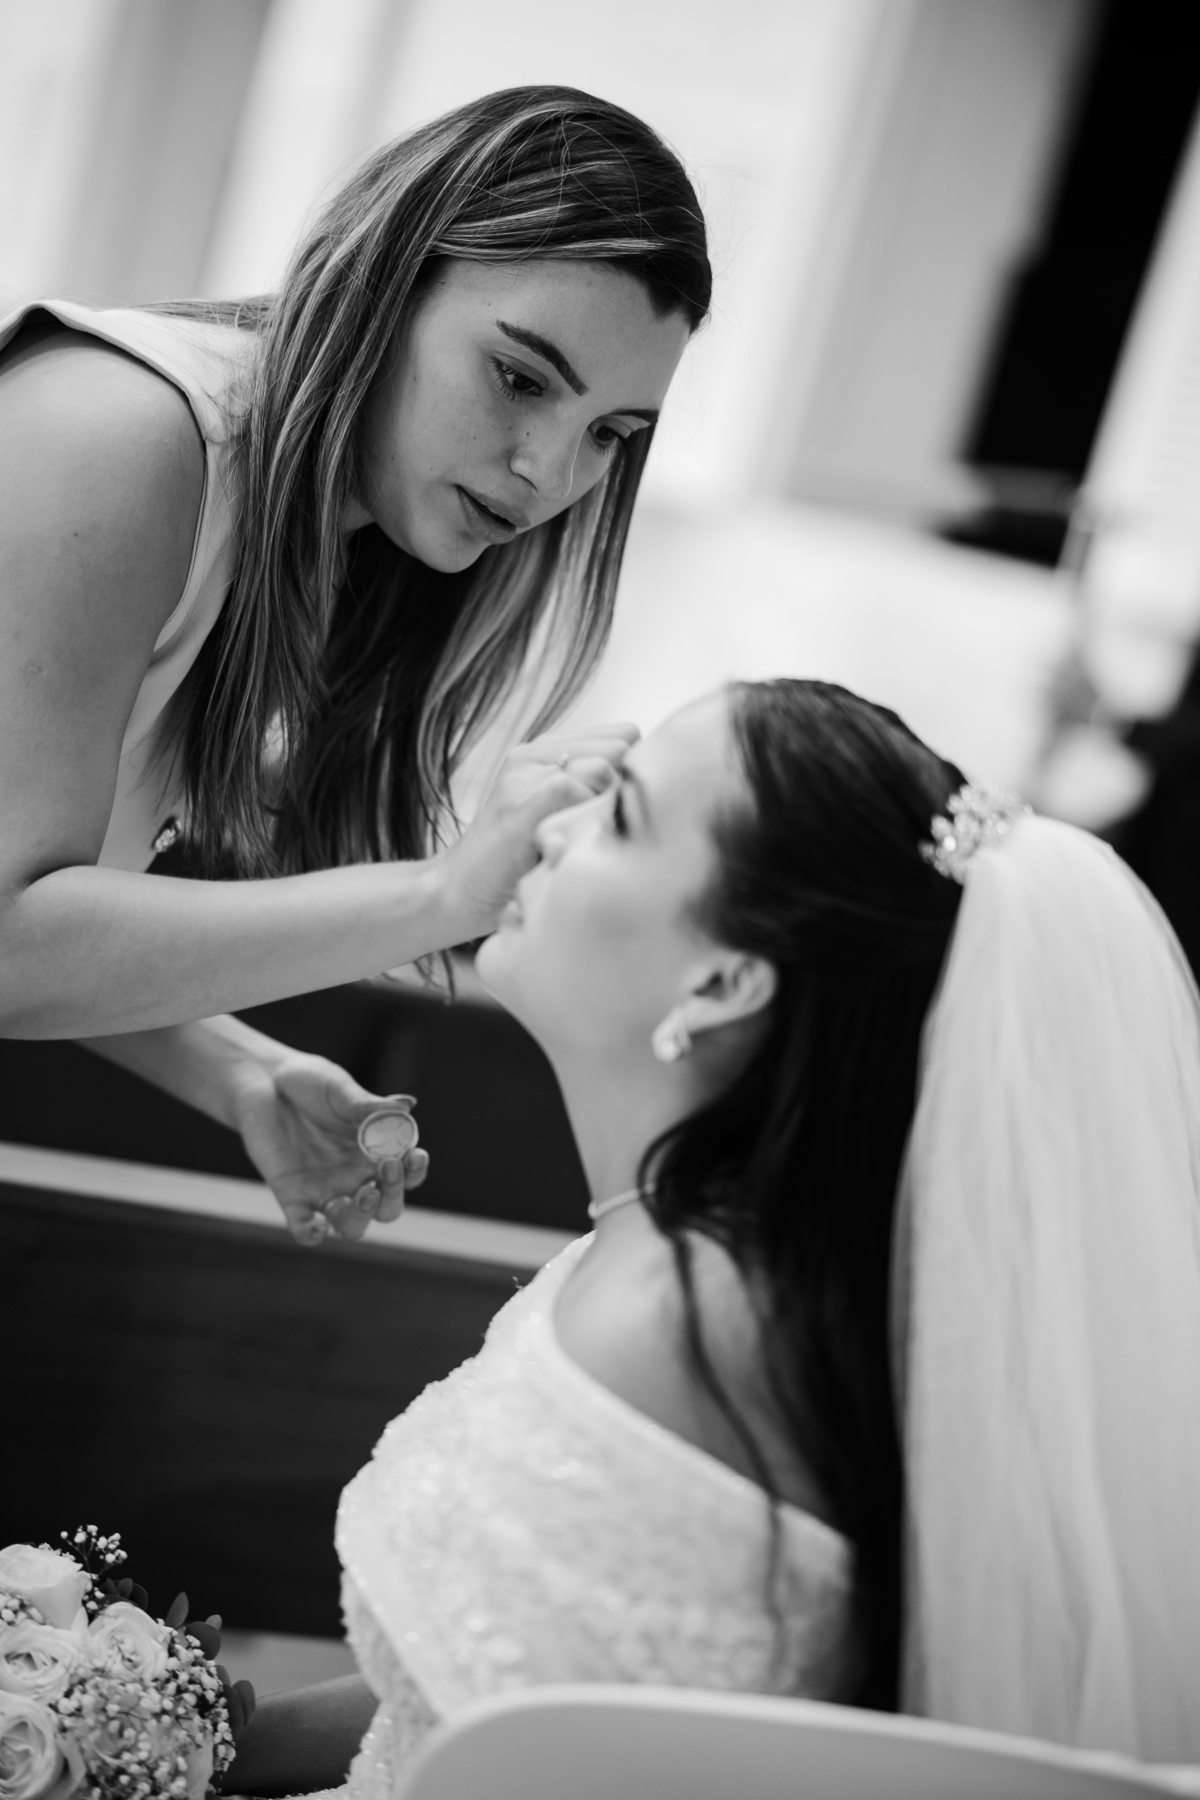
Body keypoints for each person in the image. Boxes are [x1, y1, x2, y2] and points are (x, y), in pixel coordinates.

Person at [225, 678, 1200, 1795]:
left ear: (726, 979)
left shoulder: (668, 1326)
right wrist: (187, 1744)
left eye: (621, 816)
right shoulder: (694, 1249)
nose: (549, 827)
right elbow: (462, 1692)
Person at [0, 86, 709, 1242]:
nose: (549, 474)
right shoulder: (122, 434)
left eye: (608, 435)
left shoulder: (323, 533)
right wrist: (443, 893)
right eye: (520, 378)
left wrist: (239, 1071)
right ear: (385, 282)